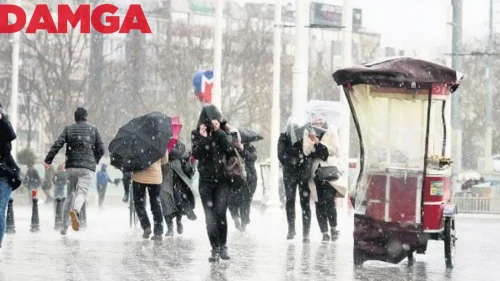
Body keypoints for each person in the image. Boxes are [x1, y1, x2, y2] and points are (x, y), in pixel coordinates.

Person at [44, 107, 105, 235]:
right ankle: (75, 211)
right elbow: (101, 149)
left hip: (71, 167)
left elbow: (57, 144)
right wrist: (94, 161)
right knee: (81, 193)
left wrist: (48, 160)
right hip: (86, 168)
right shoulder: (93, 130)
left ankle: (64, 227)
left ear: (75, 118)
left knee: (70, 195)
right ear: (86, 117)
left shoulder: (68, 129)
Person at [191, 105, 234, 262]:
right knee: (210, 217)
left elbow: (230, 149)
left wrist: (219, 132)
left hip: (223, 180)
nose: (210, 123)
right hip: (206, 183)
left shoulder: (224, 132)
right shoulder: (196, 133)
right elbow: (196, 155)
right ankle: (214, 248)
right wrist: (203, 138)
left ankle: (223, 246)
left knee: (220, 213)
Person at [302, 113, 346, 242]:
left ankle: (333, 228)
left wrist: (320, 144)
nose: (318, 121)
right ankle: (324, 233)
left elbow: (336, 151)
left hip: (328, 170)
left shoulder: (331, 130)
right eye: (316, 119)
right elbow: (306, 151)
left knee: (329, 201)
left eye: (320, 119)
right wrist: (311, 141)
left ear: (325, 118)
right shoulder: (308, 131)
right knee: (319, 203)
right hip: (315, 172)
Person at [278, 130, 311, 242]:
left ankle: (306, 233)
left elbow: (309, 153)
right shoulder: (284, 136)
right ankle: (291, 229)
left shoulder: (306, 134)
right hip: (289, 173)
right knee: (290, 199)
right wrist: (295, 156)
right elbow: (281, 154)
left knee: (305, 202)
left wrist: (302, 159)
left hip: (303, 173)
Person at [160, 142, 197, 237]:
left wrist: (191, 161)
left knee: (179, 200)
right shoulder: (159, 146)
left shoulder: (181, 147)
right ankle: (170, 227)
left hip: (178, 178)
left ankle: (179, 220)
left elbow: (188, 163)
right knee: (165, 200)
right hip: (164, 177)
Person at [132, 153, 169, 241]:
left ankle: (146, 226)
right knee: (156, 204)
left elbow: (131, 158)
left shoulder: (135, 140)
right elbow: (165, 160)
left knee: (139, 203)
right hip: (155, 177)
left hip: (139, 176)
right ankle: (158, 232)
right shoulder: (160, 140)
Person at [0, 103, 21, 248]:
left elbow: (12, 135)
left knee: (0, 209)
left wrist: (2, 118)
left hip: (5, 175)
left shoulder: (4, 128)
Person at [228, 142, 258, 232]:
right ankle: (236, 217)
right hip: (234, 179)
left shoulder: (251, 148)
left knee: (245, 202)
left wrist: (243, 150)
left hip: (249, 179)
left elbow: (253, 158)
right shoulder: (231, 149)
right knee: (231, 200)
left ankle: (244, 224)